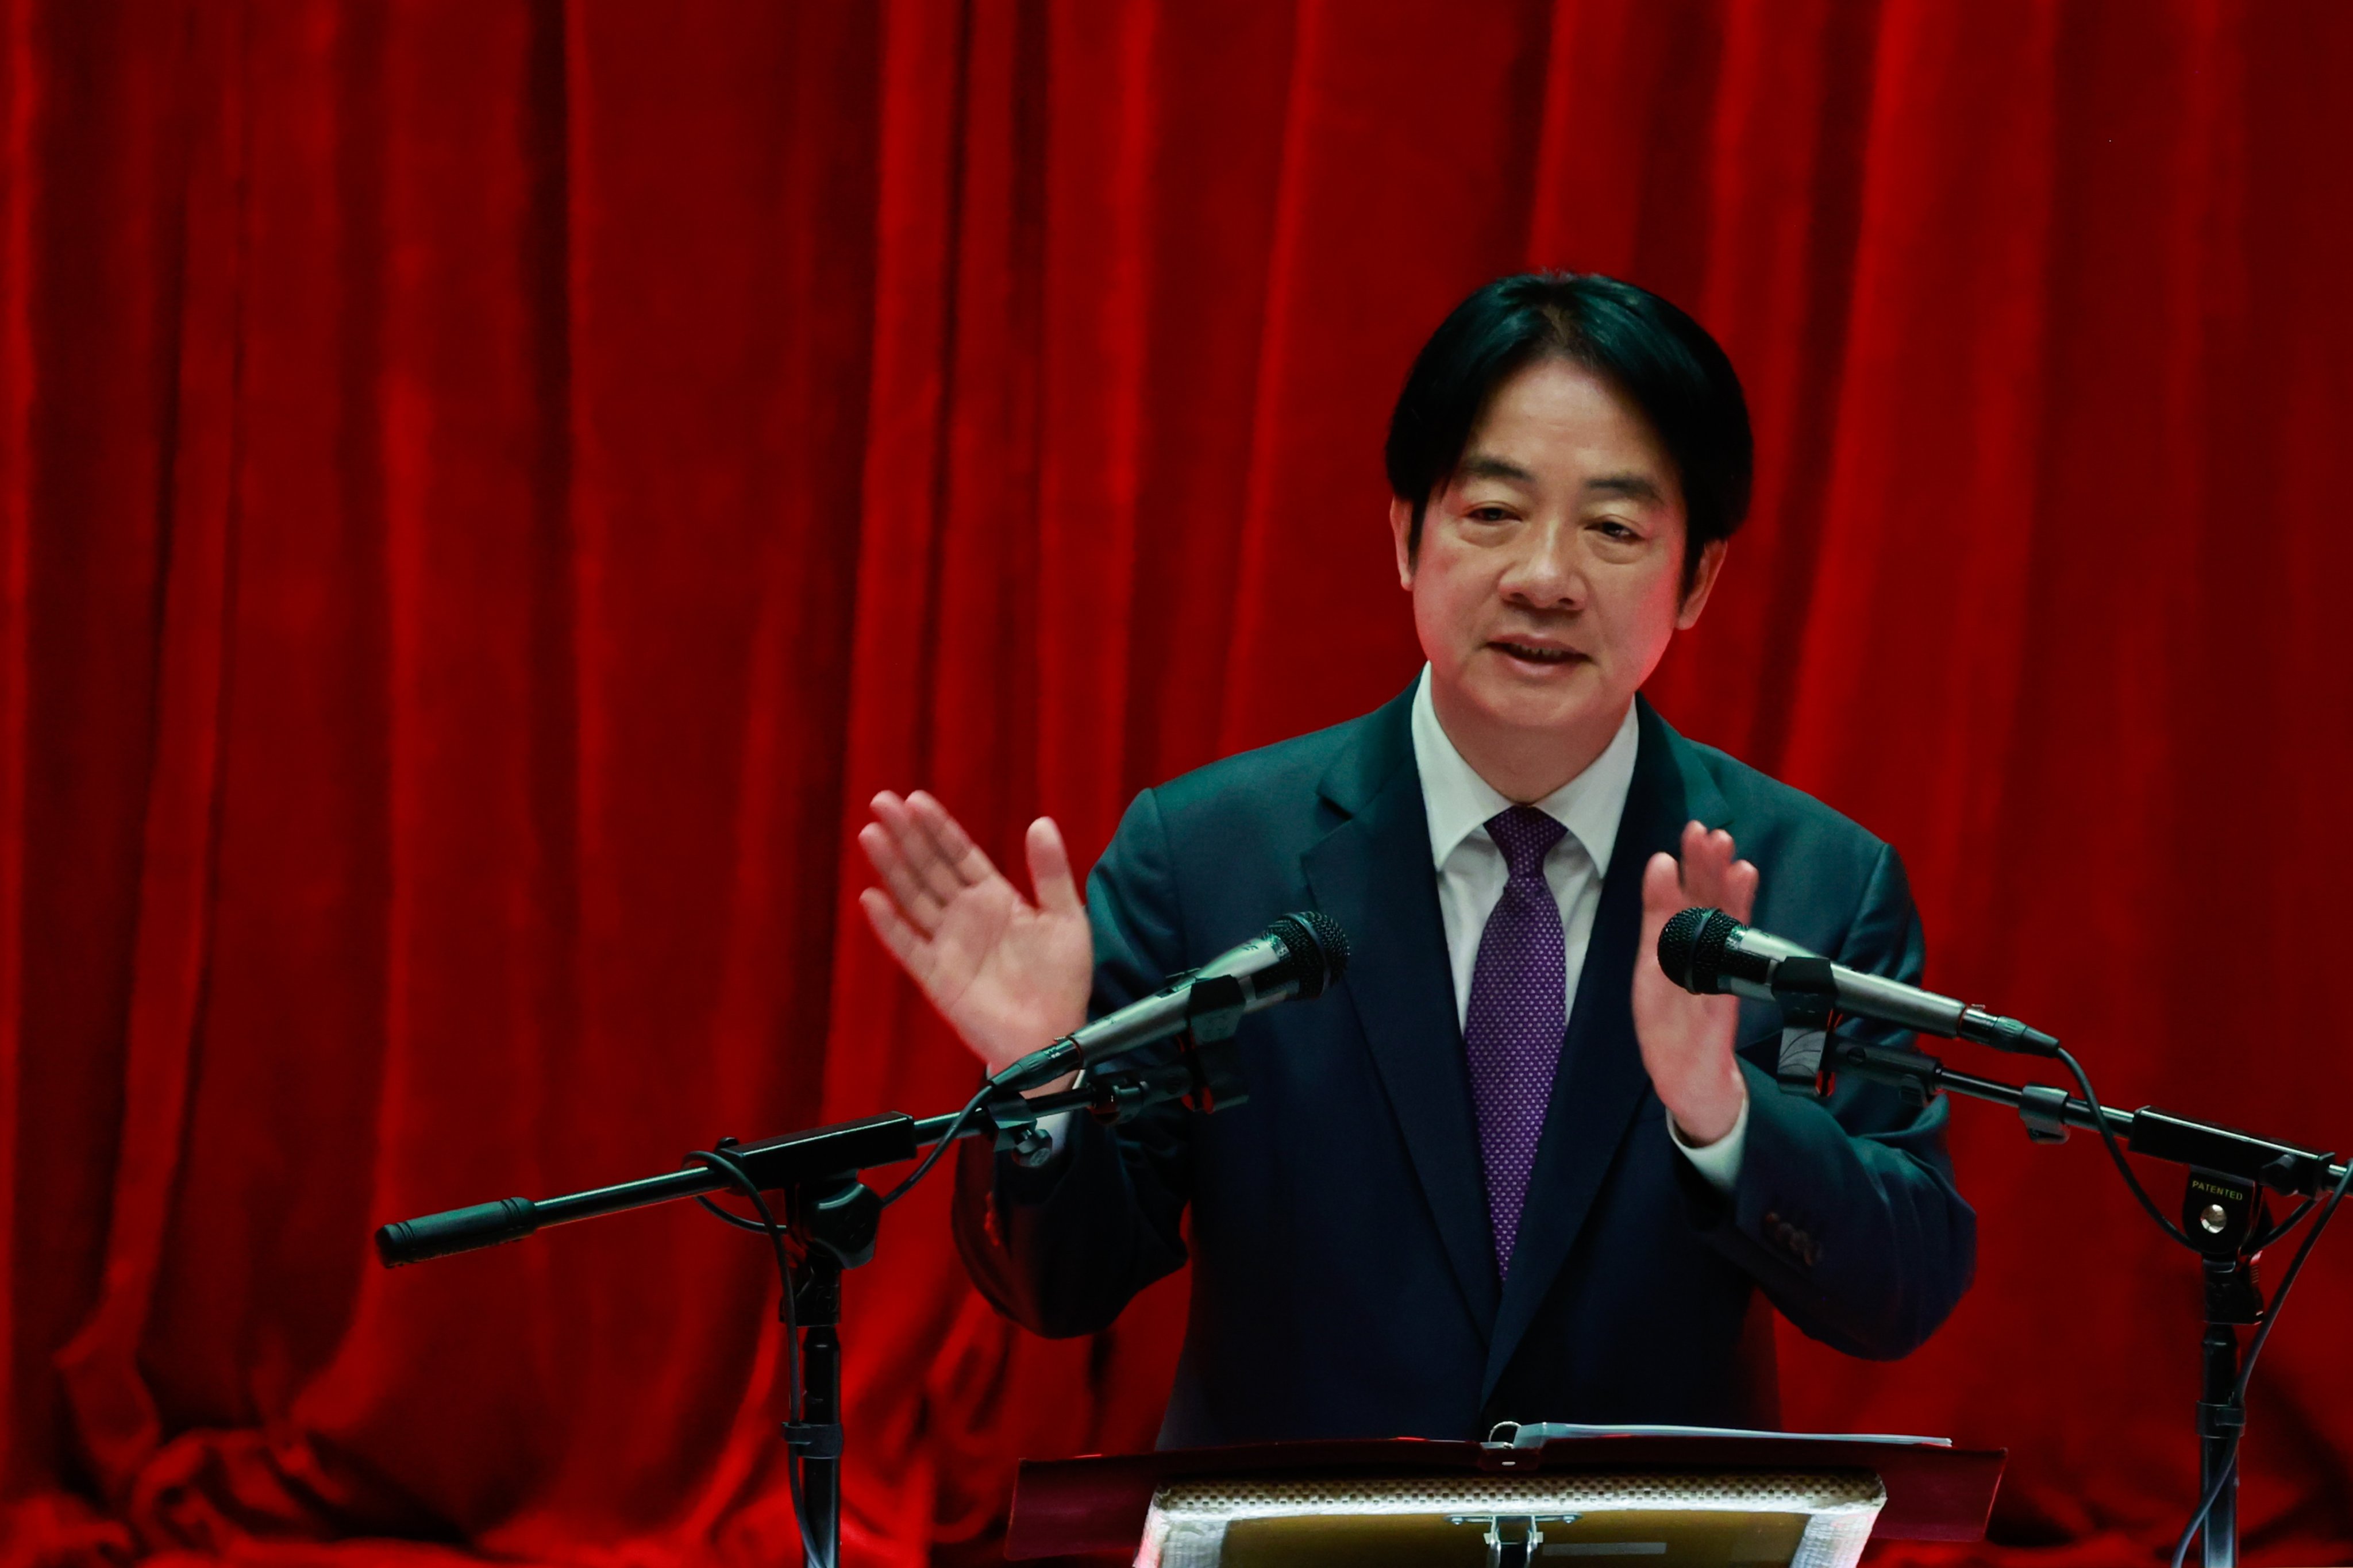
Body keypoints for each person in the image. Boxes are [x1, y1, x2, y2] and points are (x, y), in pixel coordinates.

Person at [855, 273, 1974, 1446]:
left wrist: (1721, 1116)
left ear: (1695, 577)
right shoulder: (1205, 858)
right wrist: (1039, 1085)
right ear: (1404, 534)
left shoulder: (1812, 886)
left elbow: (1898, 1289)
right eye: (1492, 512)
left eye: (1612, 529)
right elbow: (1063, 1286)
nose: (1543, 576)